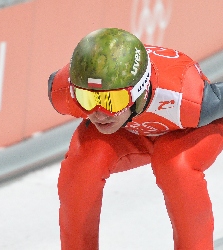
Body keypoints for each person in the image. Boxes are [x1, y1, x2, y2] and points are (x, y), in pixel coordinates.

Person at [48, 28, 223, 250]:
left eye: (112, 100)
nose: (99, 112)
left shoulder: (187, 100)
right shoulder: (63, 92)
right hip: (129, 129)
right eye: (87, 98)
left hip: (189, 130)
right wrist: (110, 104)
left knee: (173, 164)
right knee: (83, 162)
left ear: (139, 91)